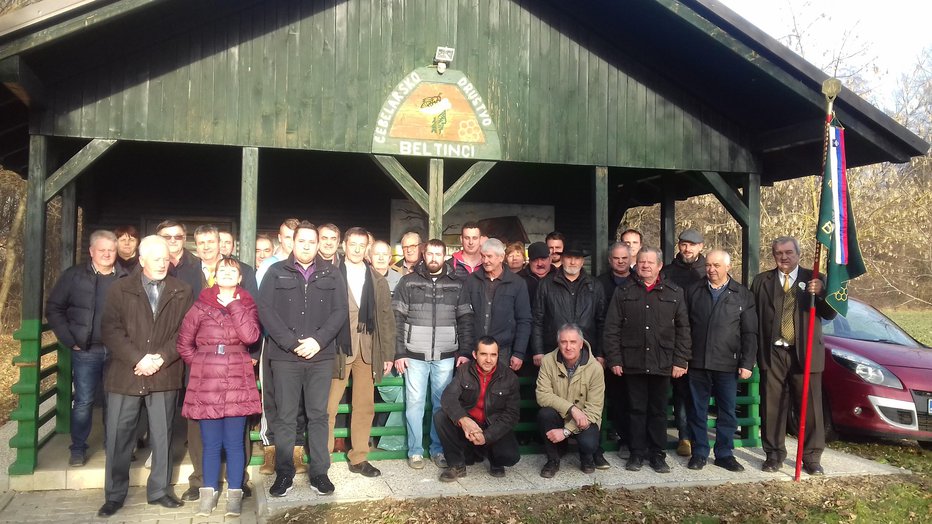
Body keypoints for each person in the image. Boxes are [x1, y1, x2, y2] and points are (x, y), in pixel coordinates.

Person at [97, 235, 193, 518]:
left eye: (166, 259)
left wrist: (160, 358)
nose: (163, 263)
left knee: (163, 435)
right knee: (118, 435)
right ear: (141, 260)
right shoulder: (120, 289)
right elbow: (110, 330)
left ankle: (160, 490)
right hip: (126, 373)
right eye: (156, 259)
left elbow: (184, 331)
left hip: (164, 373)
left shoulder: (182, 290)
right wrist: (138, 359)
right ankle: (114, 494)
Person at [257, 221, 348, 497]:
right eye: (302, 241)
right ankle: (284, 473)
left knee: (318, 415)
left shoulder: (332, 274)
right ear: (292, 244)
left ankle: (320, 473)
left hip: (320, 356)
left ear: (318, 244)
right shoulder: (275, 272)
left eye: (312, 241)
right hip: (285, 357)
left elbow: (340, 311)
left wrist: (318, 341)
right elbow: (266, 310)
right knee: (285, 417)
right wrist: (290, 343)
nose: (307, 246)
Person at [176, 258, 261, 517]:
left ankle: (235, 493)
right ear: (214, 276)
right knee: (210, 444)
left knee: (235, 443)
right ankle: (208, 492)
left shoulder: (247, 304)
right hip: (207, 384)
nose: (226, 273)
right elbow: (184, 343)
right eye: (221, 270)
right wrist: (202, 363)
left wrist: (234, 306)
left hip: (237, 380)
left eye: (231, 270)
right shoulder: (200, 305)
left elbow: (251, 337)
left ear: (239, 278)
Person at [750, 236, 836, 475]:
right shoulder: (761, 281)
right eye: (779, 253)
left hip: (805, 353)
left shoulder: (815, 279)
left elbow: (830, 314)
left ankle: (811, 457)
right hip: (773, 352)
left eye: (788, 252)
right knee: (772, 406)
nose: (784, 257)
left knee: (810, 407)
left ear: (798, 254)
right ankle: (774, 454)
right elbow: (752, 317)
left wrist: (821, 293)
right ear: (773, 255)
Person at [603, 247, 691, 474]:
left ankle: (657, 454)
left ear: (659, 266)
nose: (645, 266)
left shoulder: (674, 292)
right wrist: (614, 358)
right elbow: (612, 328)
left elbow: (683, 329)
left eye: (650, 262)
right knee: (635, 409)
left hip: (662, 361)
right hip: (633, 361)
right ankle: (636, 453)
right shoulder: (623, 291)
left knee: (658, 411)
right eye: (641, 262)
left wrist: (680, 360)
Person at [46, 230, 127, 467]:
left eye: (111, 250)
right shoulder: (74, 276)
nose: (106, 254)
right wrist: (70, 340)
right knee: (84, 401)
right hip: (86, 350)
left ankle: (113, 446)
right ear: (91, 251)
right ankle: (78, 448)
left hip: (117, 351)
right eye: (101, 250)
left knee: (116, 400)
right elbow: (54, 308)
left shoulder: (126, 277)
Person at [393, 238, 474, 469]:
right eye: (429, 254)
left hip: (446, 356)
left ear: (445, 255)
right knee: (415, 404)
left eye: (438, 254)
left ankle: (438, 450)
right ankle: (416, 451)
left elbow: (466, 320)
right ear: (423, 254)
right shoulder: (407, 282)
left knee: (442, 405)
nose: (433, 258)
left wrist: (465, 351)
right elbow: (396, 319)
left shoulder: (457, 284)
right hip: (414, 355)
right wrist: (399, 352)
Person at [326, 228, 395, 478]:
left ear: (367, 247)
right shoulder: (331, 275)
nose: (356, 249)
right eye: (352, 244)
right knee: (328, 406)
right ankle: (323, 460)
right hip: (338, 350)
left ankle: (359, 458)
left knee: (365, 406)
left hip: (368, 349)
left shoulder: (377, 279)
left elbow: (387, 320)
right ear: (344, 245)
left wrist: (387, 354)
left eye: (360, 245)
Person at [684, 249, 757, 472]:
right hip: (697, 362)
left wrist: (747, 362)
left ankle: (725, 454)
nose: (711, 270)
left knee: (727, 412)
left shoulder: (742, 294)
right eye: (708, 265)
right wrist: (683, 357)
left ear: (728, 267)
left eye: (716, 265)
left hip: (728, 364)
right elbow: (684, 327)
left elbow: (750, 332)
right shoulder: (693, 291)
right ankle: (699, 452)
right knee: (697, 411)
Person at [435, 337, 520, 481]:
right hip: (469, 426)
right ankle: (457, 465)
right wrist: (464, 420)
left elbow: (512, 414)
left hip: (493, 425)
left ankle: (492, 458)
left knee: (510, 457)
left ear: (498, 355)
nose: (488, 360)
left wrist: (487, 436)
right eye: (483, 354)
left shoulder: (509, 377)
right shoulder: (464, 371)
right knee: (440, 416)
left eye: (493, 355)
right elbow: (448, 397)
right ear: (475, 355)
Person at [535, 324, 605, 477]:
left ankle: (586, 457)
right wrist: (572, 409)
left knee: (589, 444)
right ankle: (553, 459)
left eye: (573, 342)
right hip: (560, 416)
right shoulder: (547, 361)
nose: (568, 347)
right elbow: (542, 395)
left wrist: (566, 432)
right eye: (563, 342)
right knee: (545, 413)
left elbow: (594, 410)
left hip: (586, 419)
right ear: (558, 343)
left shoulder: (595, 368)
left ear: (581, 344)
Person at [661, 228, 707, 458]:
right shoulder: (668, 272)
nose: (687, 249)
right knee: (676, 391)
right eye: (683, 244)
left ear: (701, 247)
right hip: (670, 340)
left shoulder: (708, 271)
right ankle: (680, 436)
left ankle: (695, 436)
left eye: (692, 244)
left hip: (700, 341)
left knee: (695, 392)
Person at [530, 242, 607, 369]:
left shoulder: (595, 286)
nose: (572, 262)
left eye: (577, 258)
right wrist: (538, 350)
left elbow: (601, 322)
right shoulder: (546, 284)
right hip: (553, 351)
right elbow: (537, 320)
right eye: (569, 257)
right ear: (562, 259)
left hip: (587, 352)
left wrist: (600, 353)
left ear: (582, 261)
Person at [463, 238, 531, 371]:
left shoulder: (517, 283)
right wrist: (465, 351)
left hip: (503, 352)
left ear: (501, 257)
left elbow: (524, 320)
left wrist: (518, 352)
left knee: (501, 390)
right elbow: (465, 317)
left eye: (489, 256)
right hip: (475, 351)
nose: (485, 260)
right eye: (483, 256)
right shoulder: (471, 281)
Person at [595, 242, 633, 448]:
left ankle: (631, 438)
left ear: (630, 259)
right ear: (610, 260)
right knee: (613, 397)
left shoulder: (638, 281)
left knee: (633, 398)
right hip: (608, 349)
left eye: (624, 258)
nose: (620, 262)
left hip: (634, 349)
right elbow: (599, 320)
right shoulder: (599, 283)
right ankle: (610, 435)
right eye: (616, 258)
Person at [157, 220, 201, 293]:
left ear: (184, 239)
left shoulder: (198, 264)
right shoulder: (148, 263)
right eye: (167, 237)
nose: (173, 240)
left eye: (178, 237)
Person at [256, 217, 300, 285]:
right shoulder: (268, 265)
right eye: (287, 237)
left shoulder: (307, 264)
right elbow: (259, 293)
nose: (292, 242)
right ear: (279, 238)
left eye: (295, 237)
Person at [518, 241, 554, 305]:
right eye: (535, 260)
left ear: (550, 259)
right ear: (529, 261)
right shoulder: (518, 280)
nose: (539, 264)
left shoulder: (560, 278)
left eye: (543, 259)